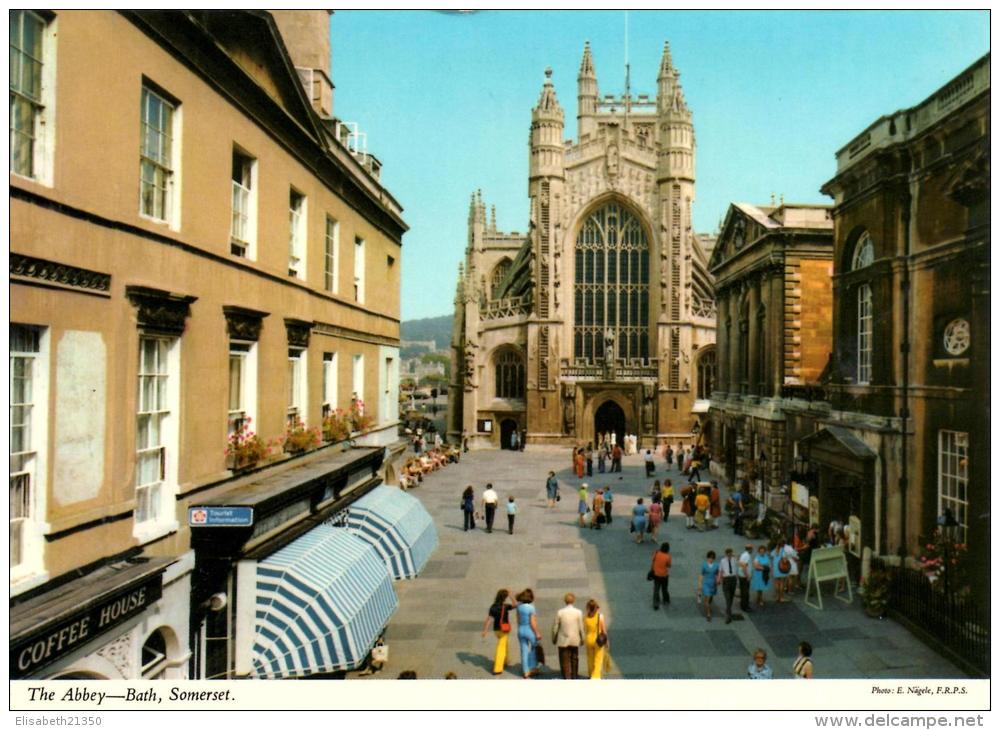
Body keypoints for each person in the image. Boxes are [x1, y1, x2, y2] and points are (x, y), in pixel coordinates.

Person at [481, 588, 517, 675]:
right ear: (504, 598)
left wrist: (485, 630)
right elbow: (515, 605)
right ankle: (497, 668)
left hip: (496, 630)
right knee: (501, 648)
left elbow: (489, 619)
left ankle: (506, 660)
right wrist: (511, 595)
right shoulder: (505, 606)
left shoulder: (493, 607)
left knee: (504, 644)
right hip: (504, 629)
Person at [551, 593, 585, 680]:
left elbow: (555, 626)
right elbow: (581, 627)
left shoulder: (560, 612)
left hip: (563, 640)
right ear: (574, 600)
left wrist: (554, 638)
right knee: (574, 658)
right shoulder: (578, 612)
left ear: (565, 601)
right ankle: (574, 675)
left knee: (564, 659)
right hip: (575, 639)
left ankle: (567, 676)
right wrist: (582, 638)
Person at [515, 588, 542, 678]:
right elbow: (533, 623)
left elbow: (518, 620)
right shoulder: (531, 608)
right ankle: (533, 667)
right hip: (529, 630)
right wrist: (537, 633)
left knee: (524, 650)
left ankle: (525, 671)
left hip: (520, 629)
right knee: (534, 647)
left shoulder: (519, 606)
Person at [583, 599, 608, 679]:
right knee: (598, 659)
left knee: (590, 659)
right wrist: (607, 641)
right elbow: (603, 630)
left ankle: (590, 674)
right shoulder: (600, 616)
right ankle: (595, 677)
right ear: (596, 608)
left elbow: (585, 629)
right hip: (598, 641)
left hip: (588, 640)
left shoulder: (586, 617)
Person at [719, 547, 740, 623]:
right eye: (728, 554)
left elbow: (737, 568)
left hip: (733, 579)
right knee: (727, 597)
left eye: (731, 554)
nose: (730, 556)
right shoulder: (722, 561)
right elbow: (720, 571)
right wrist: (719, 579)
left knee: (731, 596)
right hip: (726, 579)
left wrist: (737, 581)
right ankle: (728, 615)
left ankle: (728, 609)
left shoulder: (734, 560)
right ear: (726, 554)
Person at [699, 550, 721, 622]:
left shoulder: (716, 565)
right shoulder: (704, 565)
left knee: (710, 597)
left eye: (712, 558)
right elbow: (702, 574)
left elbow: (718, 574)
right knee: (707, 598)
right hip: (706, 583)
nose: (711, 559)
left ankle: (708, 604)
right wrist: (700, 584)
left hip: (713, 584)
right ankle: (708, 614)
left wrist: (718, 579)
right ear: (707, 558)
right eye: (709, 558)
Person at [651, 541, 672, 609]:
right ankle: (666, 600)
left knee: (656, 589)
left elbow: (653, 560)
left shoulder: (656, 553)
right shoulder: (668, 556)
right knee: (664, 588)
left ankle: (656, 603)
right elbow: (669, 565)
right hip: (664, 575)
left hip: (656, 574)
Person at [771, 538, 791, 603]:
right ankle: (781, 597)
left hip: (775, 568)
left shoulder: (775, 550)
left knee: (777, 582)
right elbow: (786, 559)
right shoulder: (784, 550)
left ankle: (777, 597)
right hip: (782, 568)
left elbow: (771, 556)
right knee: (782, 582)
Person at [738, 543, 755, 614]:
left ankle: (743, 605)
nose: (752, 550)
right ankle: (745, 606)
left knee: (743, 591)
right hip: (744, 576)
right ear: (750, 549)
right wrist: (747, 576)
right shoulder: (747, 556)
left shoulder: (743, 554)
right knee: (745, 592)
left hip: (741, 575)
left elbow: (740, 563)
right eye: (752, 549)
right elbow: (744, 566)